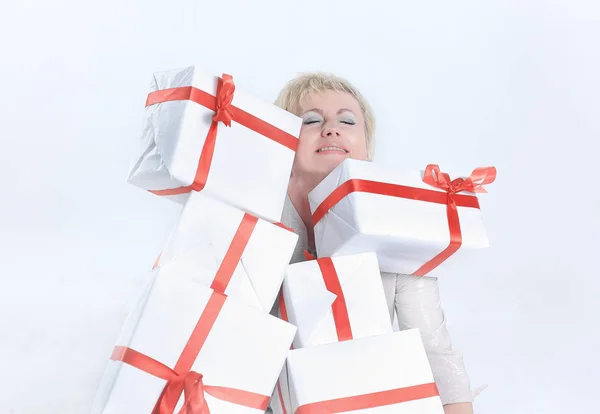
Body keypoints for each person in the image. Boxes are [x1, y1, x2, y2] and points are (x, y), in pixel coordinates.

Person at [271, 72, 477, 414]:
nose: (331, 128)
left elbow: (433, 349)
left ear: (367, 148)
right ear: (281, 138)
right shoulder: (251, 216)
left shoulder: (398, 224)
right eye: (311, 120)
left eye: (347, 120)